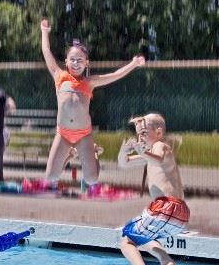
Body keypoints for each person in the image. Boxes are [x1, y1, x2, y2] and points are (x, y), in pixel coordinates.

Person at [40, 18, 145, 186]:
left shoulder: (89, 82)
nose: (76, 63)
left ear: (86, 63)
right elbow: (46, 50)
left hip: (83, 134)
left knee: (91, 179)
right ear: (66, 61)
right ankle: (69, 155)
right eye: (72, 59)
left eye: (80, 60)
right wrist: (44, 32)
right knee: (51, 176)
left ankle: (94, 152)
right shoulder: (59, 76)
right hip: (63, 133)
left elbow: (115, 75)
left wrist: (133, 64)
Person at [117, 113, 190, 265]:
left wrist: (142, 151)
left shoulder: (160, 146)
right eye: (138, 133)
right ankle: (166, 261)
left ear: (158, 132)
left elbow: (156, 159)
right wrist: (124, 151)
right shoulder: (150, 152)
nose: (140, 137)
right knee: (145, 238)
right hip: (180, 216)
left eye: (144, 132)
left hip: (166, 207)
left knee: (127, 240)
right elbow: (124, 164)